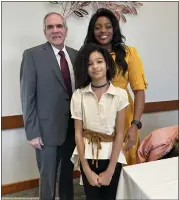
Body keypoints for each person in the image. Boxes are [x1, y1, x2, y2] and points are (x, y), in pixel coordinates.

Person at [20, 12, 78, 200]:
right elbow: (27, 96)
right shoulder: (32, 55)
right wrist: (32, 131)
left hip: (73, 129)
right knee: (48, 178)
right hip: (45, 131)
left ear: (66, 30)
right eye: (50, 27)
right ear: (44, 32)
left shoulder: (75, 55)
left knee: (67, 176)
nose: (55, 30)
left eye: (59, 26)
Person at [84, 8, 148, 165]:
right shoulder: (86, 55)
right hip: (96, 119)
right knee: (100, 164)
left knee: (126, 164)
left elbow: (139, 91)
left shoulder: (129, 54)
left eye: (108, 26)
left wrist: (135, 125)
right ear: (92, 31)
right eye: (98, 27)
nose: (103, 31)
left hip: (125, 118)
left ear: (114, 29)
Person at [70, 43, 129, 200]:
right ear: (85, 69)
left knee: (110, 196)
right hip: (88, 155)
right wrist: (87, 170)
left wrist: (110, 170)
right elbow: (78, 133)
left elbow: (120, 133)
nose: (95, 66)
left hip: (112, 156)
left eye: (99, 61)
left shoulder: (120, 95)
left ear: (108, 64)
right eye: (89, 64)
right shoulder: (79, 95)